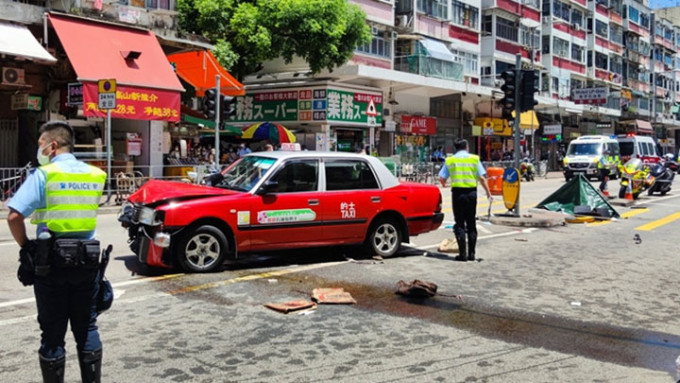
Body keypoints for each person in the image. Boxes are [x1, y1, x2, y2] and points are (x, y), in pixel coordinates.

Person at [6, 121, 107, 383]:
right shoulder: (94, 175)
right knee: (87, 329)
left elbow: (14, 216)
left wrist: (26, 246)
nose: (38, 150)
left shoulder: (44, 175)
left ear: (52, 146)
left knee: (52, 334)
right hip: (88, 263)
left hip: (50, 266)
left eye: (40, 145)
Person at [439, 138, 492, 262]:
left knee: (459, 223)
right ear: (466, 147)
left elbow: (442, 178)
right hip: (471, 193)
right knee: (471, 223)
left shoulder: (450, 160)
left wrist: (445, 185)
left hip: (457, 194)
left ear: (455, 148)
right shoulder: (474, 159)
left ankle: (462, 254)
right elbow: (482, 178)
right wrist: (488, 192)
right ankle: (472, 254)